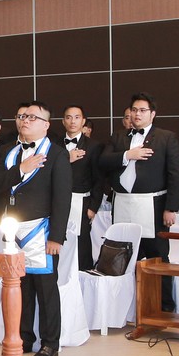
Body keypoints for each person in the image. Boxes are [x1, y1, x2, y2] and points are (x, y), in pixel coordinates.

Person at [0, 100, 70, 356]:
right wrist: (20, 170)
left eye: (33, 117)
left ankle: (50, 343)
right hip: (13, 229)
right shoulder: (7, 151)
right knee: (19, 286)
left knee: (46, 290)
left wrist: (56, 236)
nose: (25, 120)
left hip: (42, 230)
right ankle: (23, 337)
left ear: (46, 125)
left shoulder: (57, 154)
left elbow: (62, 198)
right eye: (23, 116)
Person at [99, 93, 179, 309]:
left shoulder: (166, 137)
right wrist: (127, 155)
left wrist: (171, 208)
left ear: (152, 114)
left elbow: (175, 175)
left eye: (142, 110)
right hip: (123, 203)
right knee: (123, 254)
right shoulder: (118, 137)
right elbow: (103, 161)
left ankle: (164, 307)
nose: (137, 114)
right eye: (134, 110)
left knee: (157, 256)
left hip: (152, 205)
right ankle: (126, 307)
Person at [60, 104, 102, 271]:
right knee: (59, 240)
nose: (73, 121)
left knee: (81, 243)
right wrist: (66, 158)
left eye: (77, 117)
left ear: (83, 121)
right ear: (63, 121)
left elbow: (98, 178)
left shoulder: (93, 146)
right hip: (57, 200)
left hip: (82, 201)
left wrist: (93, 206)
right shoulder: (54, 144)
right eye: (69, 117)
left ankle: (83, 277)